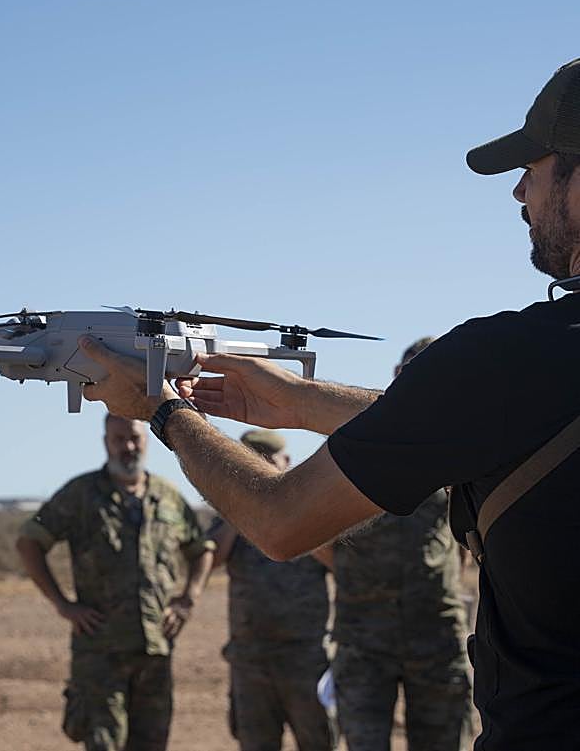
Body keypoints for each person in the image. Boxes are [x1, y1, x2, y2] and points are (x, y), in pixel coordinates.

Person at [75, 58, 580, 750]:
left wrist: (163, 410)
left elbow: (279, 521)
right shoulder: (516, 374)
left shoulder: (511, 356)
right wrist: (300, 401)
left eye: (537, 164)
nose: (519, 189)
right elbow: (487, 421)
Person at [15, 414, 214, 751]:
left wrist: (187, 598)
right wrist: (63, 605)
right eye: (119, 439)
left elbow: (201, 549)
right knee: (104, 743)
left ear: (148, 440)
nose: (128, 447)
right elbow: (29, 542)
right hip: (100, 652)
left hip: (155, 650)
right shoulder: (80, 494)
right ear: (106, 441)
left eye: (134, 438)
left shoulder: (167, 497)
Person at [321, 338, 473, 751]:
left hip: (436, 634)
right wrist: (351, 572)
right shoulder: (355, 442)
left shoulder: (461, 448)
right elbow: (316, 525)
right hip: (363, 638)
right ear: (395, 380)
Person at [208, 429, 335, 751]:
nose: (257, 472)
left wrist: (293, 519)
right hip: (251, 661)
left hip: (305, 658)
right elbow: (211, 561)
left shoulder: (312, 511)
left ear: (287, 463)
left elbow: (339, 563)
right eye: (249, 464)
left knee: (318, 741)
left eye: (266, 463)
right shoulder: (229, 516)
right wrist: (242, 510)